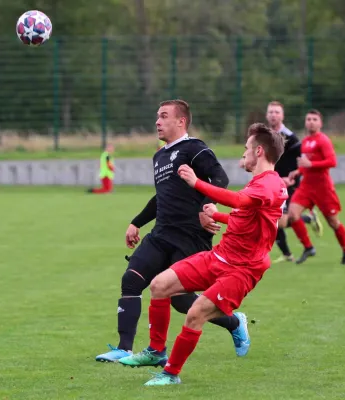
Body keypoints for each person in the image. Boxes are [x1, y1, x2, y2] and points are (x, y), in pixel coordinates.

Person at [118, 123, 288, 386]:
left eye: (246, 149)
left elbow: (240, 202)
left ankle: (171, 374)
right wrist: (215, 215)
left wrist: (197, 183)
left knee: (195, 313)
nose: (243, 154)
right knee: (160, 285)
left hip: (242, 269)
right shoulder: (258, 183)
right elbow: (246, 218)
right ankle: (156, 352)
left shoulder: (271, 184)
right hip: (220, 256)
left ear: (259, 151)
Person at [96, 99, 250, 364]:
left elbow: (220, 178)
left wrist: (206, 208)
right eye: (157, 116)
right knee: (131, 280)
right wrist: (136, 222)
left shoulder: (195, 148)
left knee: (180, 301)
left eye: (164, 116)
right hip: (161, 234)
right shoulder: (160, 156)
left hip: (191, 236)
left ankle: (235, 322)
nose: (157, 121)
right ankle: (125, 349)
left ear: (181, 121)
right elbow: (161, 198)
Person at [286, 109, 345, 265]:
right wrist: (297, 172)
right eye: (308, 119)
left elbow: (332, 161)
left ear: (320, 123)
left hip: (323, 189)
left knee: (333, 223)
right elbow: (305, 165)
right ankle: (308, 247)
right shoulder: (306, 142)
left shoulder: (323, 140)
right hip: (306, 187)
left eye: (314, 119)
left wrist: (311, 164)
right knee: (292, 214)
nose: (311, 122)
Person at [265, 101, 323, 264]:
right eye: (271, 112)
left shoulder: (291, 138)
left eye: (277, 112)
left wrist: (294, 176)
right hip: (270, 184)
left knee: (280, 221)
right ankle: (287, 254)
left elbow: (304, 159)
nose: (273, 115)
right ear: (266, 115)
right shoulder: (264, 136)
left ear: (282, 116)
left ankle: (306, 219)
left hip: (288, 184)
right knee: (272, 220)